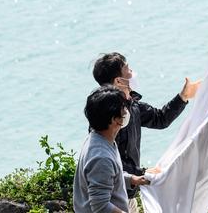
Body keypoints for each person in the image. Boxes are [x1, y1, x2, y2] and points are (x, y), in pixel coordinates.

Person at [92, 52, 201, 212]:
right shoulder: (107, 116)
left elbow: (160, 118)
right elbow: (108, 159)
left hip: (129, 191)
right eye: (128, 69)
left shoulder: (133, 105)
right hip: (112, 195)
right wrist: (141, 173)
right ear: (118, 81)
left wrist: (183, 97)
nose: (132, 72)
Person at [73, 85, 131, 213]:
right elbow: (101, 206)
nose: (126, 112)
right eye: (123, 109)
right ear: (114, 120)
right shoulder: (101, 157)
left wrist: (131, 179)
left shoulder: (98, 138)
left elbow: (106, 176)